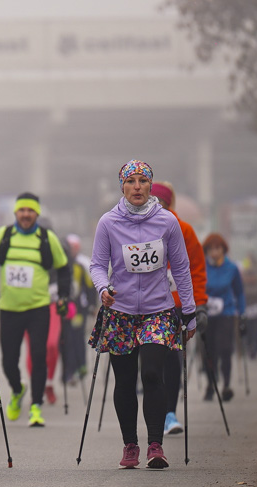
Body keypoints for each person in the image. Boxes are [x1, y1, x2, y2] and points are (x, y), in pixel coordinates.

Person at [89, 160, 196, 469]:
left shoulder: (167, 222)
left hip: (158, 311)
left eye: (142, 181)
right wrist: (102, 287)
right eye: (131, 181)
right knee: (124, 380)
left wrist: (189, 311)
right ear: (122, 186)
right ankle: (130, 445)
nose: (137, 186)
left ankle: (155, 444)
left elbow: (181, 267)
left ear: (151, 186)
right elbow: (97, 264)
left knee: (151, 374)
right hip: (120, 310)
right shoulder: (108, 222)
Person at [0, 192, 70, 427]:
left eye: (30, 211)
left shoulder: (46, 238)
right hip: (9, 308)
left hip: (38, 308)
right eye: (22, 210)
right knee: (8, 361)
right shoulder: (4, 235)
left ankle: (36, 405)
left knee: (38, 356)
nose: (26, 215)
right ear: (16, 213)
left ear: (36, 213)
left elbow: (63, 268)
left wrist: (64, 296)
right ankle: (17, 389)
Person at [149, 181, 208, 434]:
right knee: (152, 365)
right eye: (154, 202)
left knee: (173, 360)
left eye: (162, 203)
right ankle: (155, 412)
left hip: (176, 306)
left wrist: (199, 304)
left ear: (169, 204)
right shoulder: (139, 229)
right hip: (147, 306)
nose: (158, 206)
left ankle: (169, 414)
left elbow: (196, 270)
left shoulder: (184, 230)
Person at [200, 233, 245, 402]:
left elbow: (239, 293)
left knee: (225, 348)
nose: (214, 252)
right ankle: (211, 384)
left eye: (217, 248)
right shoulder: (202, 266)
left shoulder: (231, 268)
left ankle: (226, 385)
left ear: (223, 249)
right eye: (210, 249)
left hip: (226, 313)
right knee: (208, 351)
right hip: (207, 314)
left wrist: (242, 314)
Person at [59, 234, 97, 389]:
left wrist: (92, 305)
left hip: (78, 310)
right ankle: (68, 370)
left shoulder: (82, 265)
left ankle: (80, 366)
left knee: (76, 336)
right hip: (63, 308)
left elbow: (90, 286)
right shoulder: (61, 264)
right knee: (65, 339)